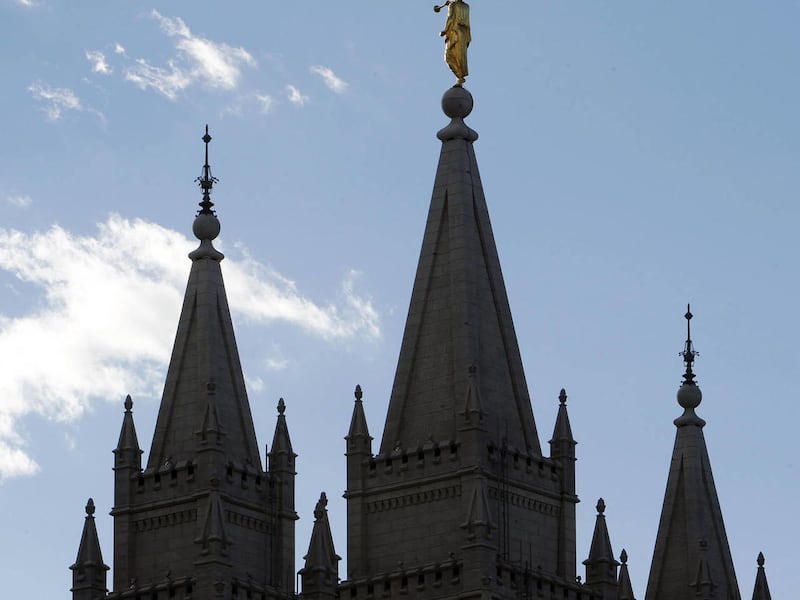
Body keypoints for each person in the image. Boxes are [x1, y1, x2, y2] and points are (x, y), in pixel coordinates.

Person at [439, 0, 471, 85]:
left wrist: (445, 31)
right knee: (461, 57)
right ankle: (460, 77)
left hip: (455, 32)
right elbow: (468, 24)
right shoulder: (466, 7)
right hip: (464, 33)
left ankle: (459, 76)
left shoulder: (453, 5)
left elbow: (451, 18)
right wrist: (468, 37)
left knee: (448, 56)